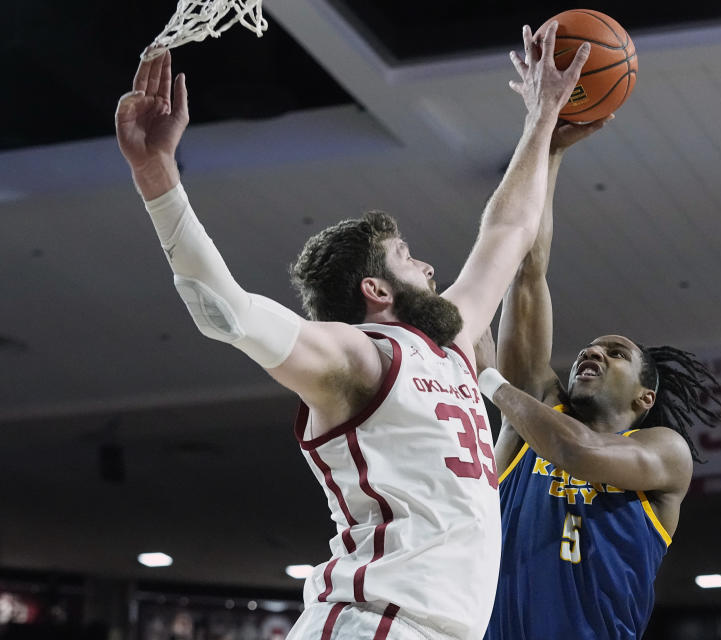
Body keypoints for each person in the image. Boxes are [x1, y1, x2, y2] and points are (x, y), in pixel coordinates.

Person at [114, 23, 591, 640]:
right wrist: (157, 176)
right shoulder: (357, 357)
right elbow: (223, 311)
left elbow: (508, 232)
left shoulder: (446, 345)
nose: (427, 265)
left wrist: (542, 118)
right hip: (369, 626)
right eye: (405, 255)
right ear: (376, 290)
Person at [478, 121, 721, 639]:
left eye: (616, 354)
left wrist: (492, 382)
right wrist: (551, 144)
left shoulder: (664, 452)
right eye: (591, 348)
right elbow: (528, 270)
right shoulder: (536, 411)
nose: (593, 351)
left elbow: (577, 453)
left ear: (644, 396)